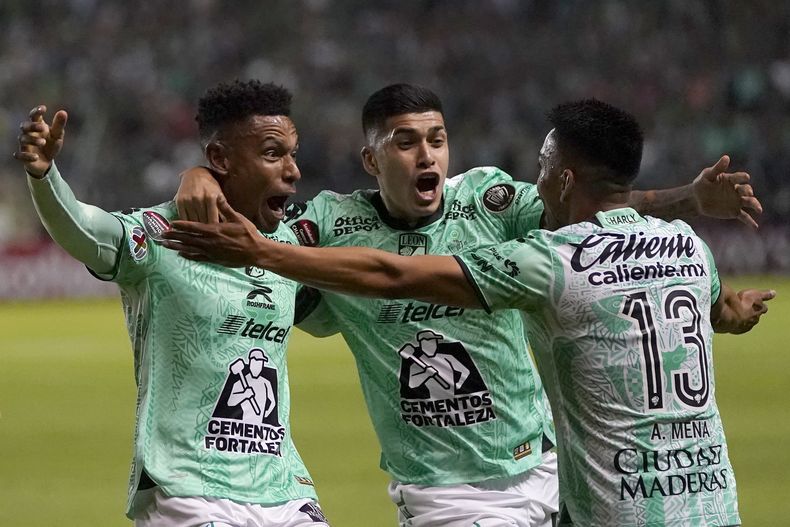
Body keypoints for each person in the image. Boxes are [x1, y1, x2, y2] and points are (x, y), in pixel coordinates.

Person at [162, 98, 775, 526]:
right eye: (406, 142)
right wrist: (204, 175)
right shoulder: (689, 247)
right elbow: (684, 280)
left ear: (558, 181)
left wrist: (260, 250)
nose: (427, 155)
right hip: (693, 501)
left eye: (437, 139)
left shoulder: (531, 240)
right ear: (371, 159)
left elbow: (392, 275)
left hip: (571, 488)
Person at [13, 80, 330, 526]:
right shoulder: (161, 234)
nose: (294, 171)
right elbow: (87, 231)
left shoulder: (289, 246)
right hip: (188, 490)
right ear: (221, 158)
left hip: (283, 489)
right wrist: (45, 175)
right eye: (274, 154)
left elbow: (345, 301)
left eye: (293, 153)